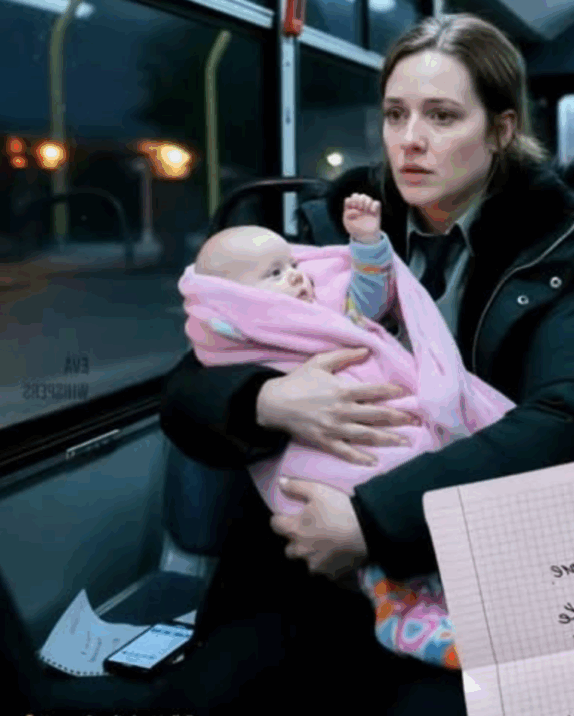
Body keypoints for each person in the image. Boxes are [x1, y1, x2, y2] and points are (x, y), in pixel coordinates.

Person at [159, 11, 574, 714]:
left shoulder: (565, 251)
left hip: (465, 557)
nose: (409, 140)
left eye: (442, 116)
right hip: (306, 552)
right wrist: (266, 401)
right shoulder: (334, 232)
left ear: (501, 130)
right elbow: (192, 380)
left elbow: (573, 419)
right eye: (396, 114)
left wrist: (370, 521)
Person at [181, 195, 516, 670]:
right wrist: (265, 399)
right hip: (312, 473)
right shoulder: (239, 327)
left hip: (409, 448)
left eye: (292, 265)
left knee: (402, 484)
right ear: (237, 300)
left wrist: (368, 245)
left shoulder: (324, 294)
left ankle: (442, 600)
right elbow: (187, 389)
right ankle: (405, 614)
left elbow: (366, 300)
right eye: (275, 273)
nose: (296, 275)